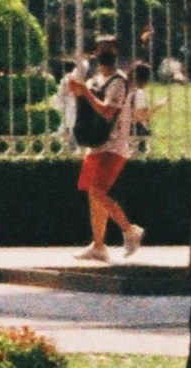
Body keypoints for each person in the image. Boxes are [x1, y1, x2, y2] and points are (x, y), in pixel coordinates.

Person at [60, 31, 144, 259]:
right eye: (101, 48)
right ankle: (98, 246)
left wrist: (85, 92)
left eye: (110, 48)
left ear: (116, 52)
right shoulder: (94, 81)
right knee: (93, 195)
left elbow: (108, 112)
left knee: (97, 192)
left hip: (114, 145)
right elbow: (84, 105)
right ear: (95, 53)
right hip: (96, 144)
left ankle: (130, 230)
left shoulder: (119, 82)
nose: (105, 52)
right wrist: (76, 91)